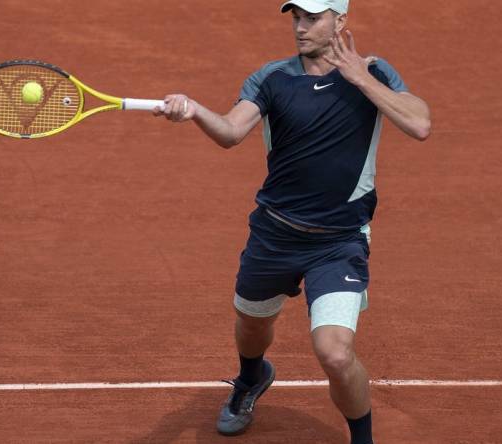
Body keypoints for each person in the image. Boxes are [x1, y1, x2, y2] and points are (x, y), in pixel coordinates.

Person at [154, 0, 430, 442]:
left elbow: (419, 124)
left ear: (340, 20)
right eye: (296, 18)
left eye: (312, 18)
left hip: (339, 240)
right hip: (275, 233)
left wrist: (358, 77)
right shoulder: (273, 77)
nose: (300, 28)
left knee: (336, 355)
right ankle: (250, 379)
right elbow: (230, 132)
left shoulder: (376, 71)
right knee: (252, 325)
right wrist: (194, 112)